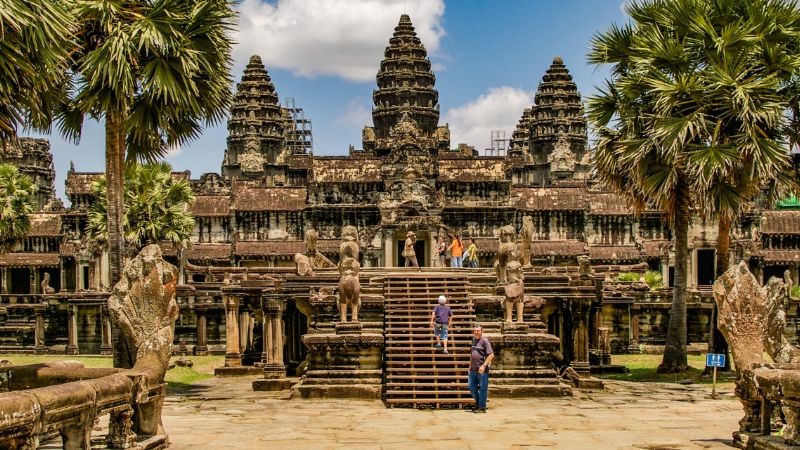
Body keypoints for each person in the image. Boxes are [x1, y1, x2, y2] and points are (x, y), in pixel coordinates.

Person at [468, 323, 493, 413]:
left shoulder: (485, 341)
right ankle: (479, 404)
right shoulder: (473, 340)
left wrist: (483, 366)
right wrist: (470, 365)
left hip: (482, 370)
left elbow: (491, 355)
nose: (476, 332)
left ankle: (482, 407)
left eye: (478, 331)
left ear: (482, 331)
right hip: (472, 369)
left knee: (483, 388)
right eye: (475, 331)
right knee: (471, 387)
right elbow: (472, 354)